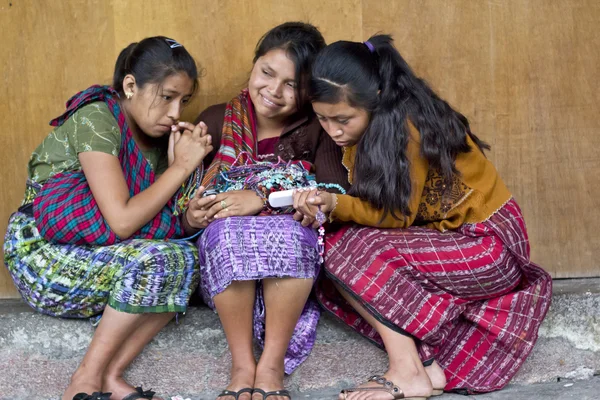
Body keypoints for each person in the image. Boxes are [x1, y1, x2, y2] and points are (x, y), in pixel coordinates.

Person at [293, 35, 552, 400]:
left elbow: (396, 217)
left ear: (377, 98)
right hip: (452, 244)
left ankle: (408, 371)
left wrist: (334, 204)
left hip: (489, 247)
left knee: (346, 248)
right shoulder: (371, 129)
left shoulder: (408, 128)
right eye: (323, 118)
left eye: (343, 119)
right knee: (334, 251)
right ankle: (424, 364)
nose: (333, 130)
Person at [4, 36, 212, 400]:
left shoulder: (162, 141)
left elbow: (158, 223)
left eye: (184, 100)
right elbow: (122, 221)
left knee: (185, 260)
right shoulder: (96, 118)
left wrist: (190, 219)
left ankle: (112, 378)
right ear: (130, 85)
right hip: (43, 254)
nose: (177, 112)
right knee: (159, 259)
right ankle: (83, 382)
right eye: (167, 96)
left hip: (105, 256)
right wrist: (181, 167)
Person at [185, 22, 348, 400]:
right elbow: (182, 202)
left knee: (290, 235)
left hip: (295, 254)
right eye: (267, 73)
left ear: (309, 90)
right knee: (225, 233)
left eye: (292, 84)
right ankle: (242, 364)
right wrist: (192, 216)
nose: (274, 91)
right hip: (225, 258)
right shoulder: (214, 120)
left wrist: (262, 197)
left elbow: (337, 190)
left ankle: (271, 365)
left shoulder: (316, 127)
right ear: (254, 65)